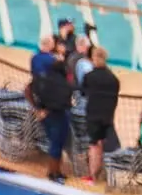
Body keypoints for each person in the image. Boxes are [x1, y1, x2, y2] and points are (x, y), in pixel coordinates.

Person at [28, 49, 74, 183]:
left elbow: (27, 90)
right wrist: (47, 110)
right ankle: (53, 173)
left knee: (54, 145)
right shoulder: (64, 84)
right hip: (57, 116)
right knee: (56, 145)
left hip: (45, 116)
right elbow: (64, 102)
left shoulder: (41, 78)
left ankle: (55, 172)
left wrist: (38, 109)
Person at [80, 45, 120, 187]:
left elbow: (83, 93)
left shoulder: (89, 77)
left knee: (94, 146)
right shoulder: (114, 79)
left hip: (93, 116)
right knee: (103, 143)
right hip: (108, 115)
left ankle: (93, 176)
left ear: (94, 59)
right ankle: (102, 173)